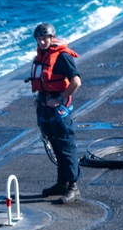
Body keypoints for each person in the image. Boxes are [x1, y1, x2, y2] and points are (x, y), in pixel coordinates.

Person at [29, 22, 83, 203]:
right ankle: (61, 183)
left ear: (52, 38)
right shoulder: (42, 56)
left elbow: (76, 82)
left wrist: (60, 99)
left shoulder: (62, 57)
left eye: (45, 38)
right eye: (39, 39)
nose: (42, 42)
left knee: (66, 147)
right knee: (55, 147)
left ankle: (73, 187)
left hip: (59, 110)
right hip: (44, 108)